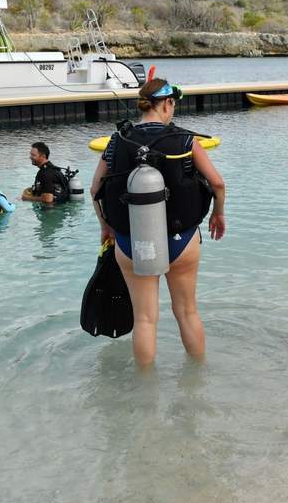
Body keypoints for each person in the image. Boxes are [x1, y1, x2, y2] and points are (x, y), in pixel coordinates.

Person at [90, 78, 226, 366]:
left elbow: (94, 189)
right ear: (167, 103)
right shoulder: (186, 140)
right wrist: (218, 213)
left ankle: (145, 395)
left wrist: (105, 226)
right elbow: (217, 183)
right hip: (182, 240)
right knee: (187, 311)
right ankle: (197, 381)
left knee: (144, 319)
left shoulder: (118, 140)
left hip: (132, 240)